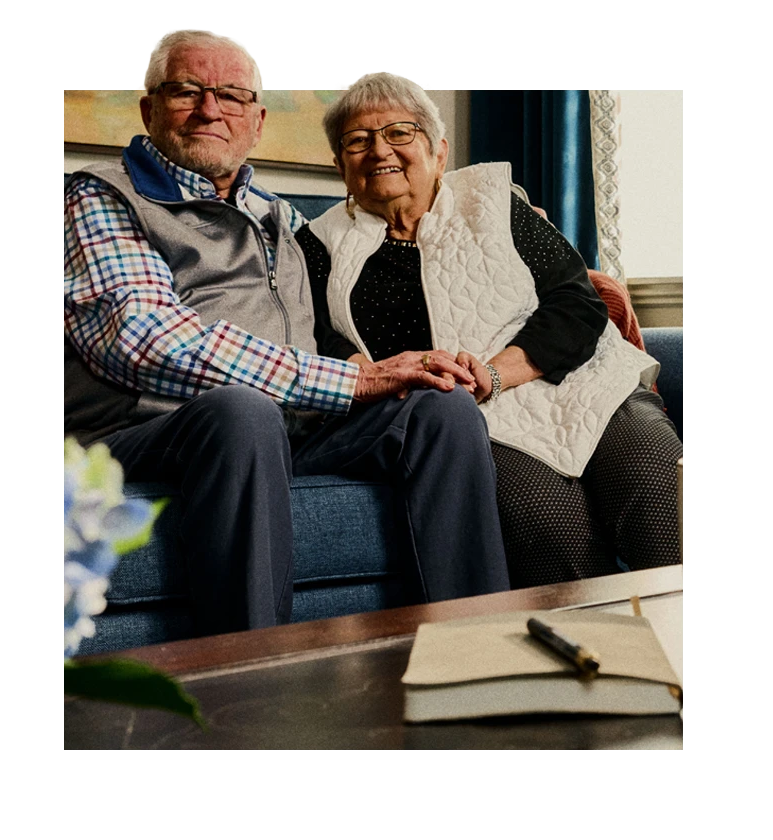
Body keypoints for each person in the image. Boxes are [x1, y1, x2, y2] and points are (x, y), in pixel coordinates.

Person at [62, 30, 510, 638]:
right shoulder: (99, 196)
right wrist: (353, 377)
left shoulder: (277, 216)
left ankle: (478, 653)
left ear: (257, 121)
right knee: (242, 413)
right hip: (146, 430)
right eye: (186, 91)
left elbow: (379, 268)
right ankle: (250, 679)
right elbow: (144, 339)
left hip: (288, 430)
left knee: (441, 407)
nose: (210, 109)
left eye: (231, 96)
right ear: (150, 110)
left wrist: (511, 258)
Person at [296, 72, 684, 588]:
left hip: (582, 386)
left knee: (659, 493)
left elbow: (578, 303)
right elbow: (319, 339)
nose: (378, 149)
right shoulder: (317, 246)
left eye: (398, 132)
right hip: (471, 418)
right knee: (545, 526)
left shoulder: (495, 204)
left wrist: (497, 373)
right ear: (340, 163)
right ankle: (592, 663)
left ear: (438, 150)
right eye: (357, 140)